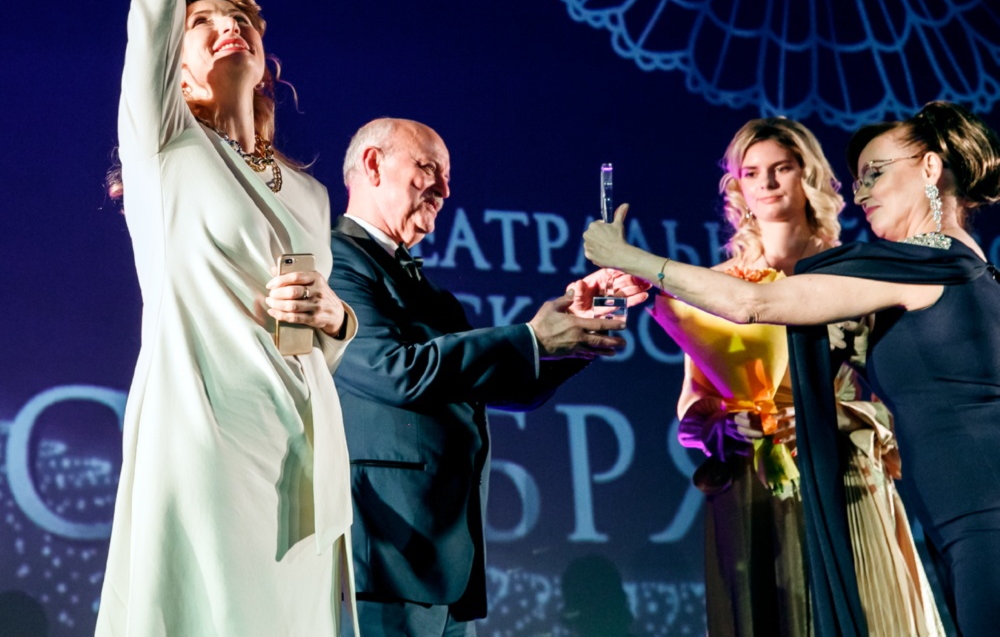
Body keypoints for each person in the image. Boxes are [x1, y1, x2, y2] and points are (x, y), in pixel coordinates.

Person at [97, 0, 357, 636]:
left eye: (238, 19)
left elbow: (312, 341)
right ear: (175, 63)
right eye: (203, 25)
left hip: (302, 459)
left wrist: (337, 319)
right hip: (205, 444)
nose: (224, 29)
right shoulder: (164, 146)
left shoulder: (311, 194)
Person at [583, 101, 1000, 637]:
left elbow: (753, 304)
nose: (861, 193)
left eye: (875, 172)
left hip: (972, 513)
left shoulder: (919, 263)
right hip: (959, 519)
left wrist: (630, 258)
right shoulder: (964, 266)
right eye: (858, 179)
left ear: (930, 168)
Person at [328, 117, 644, 637]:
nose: (445, 190)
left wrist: (575, 333)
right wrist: (533, 337)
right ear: (372, 164)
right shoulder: (333, 261)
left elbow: (500, 385)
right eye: (429, 168)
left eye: (448, 177)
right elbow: (394, 370)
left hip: (444, 567)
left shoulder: (431, 293)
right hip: (384, 556)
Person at [651, 118, 942, 637]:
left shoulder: (859, 274)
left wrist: (832, 416)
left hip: (845, 473)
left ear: (807, 175)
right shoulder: (716, 288)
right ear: (737, 186)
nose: (766, 183)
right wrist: (724, 427)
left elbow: (907, 402)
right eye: (751, 172)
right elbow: (693, 410)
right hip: (755, 488)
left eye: (781, 168)